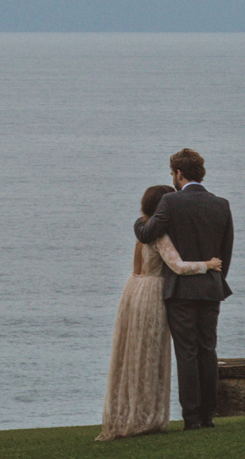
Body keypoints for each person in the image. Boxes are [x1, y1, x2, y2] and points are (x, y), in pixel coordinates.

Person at [96, 184, 223, 441]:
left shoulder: (142, 228)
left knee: (132, 353)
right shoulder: (159, 235)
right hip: (152, 292)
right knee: (151, 355)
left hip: (133, 288)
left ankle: (129, 412)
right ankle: (146, 416)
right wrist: (208, 264)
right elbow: (177, 265)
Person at [134, 148, 233, 430]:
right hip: (211, 287)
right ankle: (209, 415)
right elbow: (226, 252)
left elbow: (147, 233)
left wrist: (138, 222)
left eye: (173, 174)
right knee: (208, 349)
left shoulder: (170, 201)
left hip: (180, 290)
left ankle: (192, 417)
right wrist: (214, 278)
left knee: (187, 353)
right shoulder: (221, 204)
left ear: (178, 173)